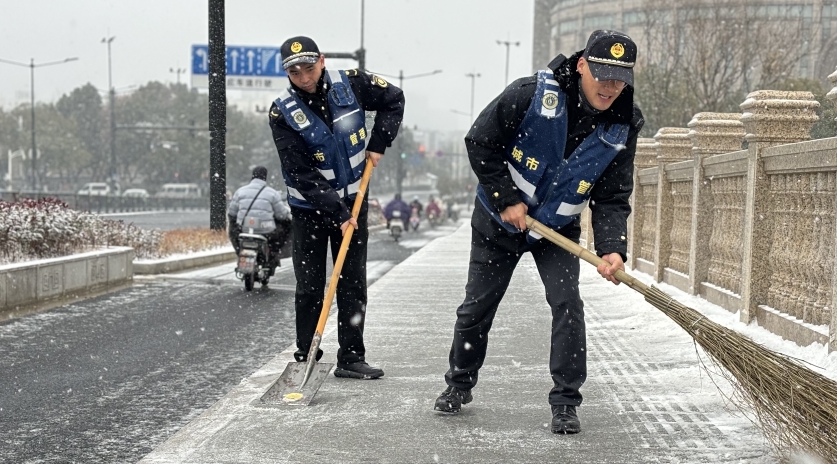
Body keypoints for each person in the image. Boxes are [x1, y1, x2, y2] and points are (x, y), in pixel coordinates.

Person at [435, 30, 644, 434]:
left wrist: (613, 247)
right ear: (581, 65)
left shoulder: (624, 124)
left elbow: (613, 194)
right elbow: (480, 141)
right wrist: (505, 198)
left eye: (620, 79)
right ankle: (458, 384)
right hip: (498, 223)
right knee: (477, 307)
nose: (610, 87)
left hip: (556, 228)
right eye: (602, 75)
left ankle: (566, 401)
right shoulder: (531, 93)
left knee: (568, 305)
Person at [269, 35, 405, 379]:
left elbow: (394, 99)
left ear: (323, 61)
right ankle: (307, 355)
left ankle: (351, 357)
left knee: (352, 283)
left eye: (309, 68)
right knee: (311, 285)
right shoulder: (282, 112)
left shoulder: (353, 84)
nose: (303, 76)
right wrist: (338, 213)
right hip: (309, 209)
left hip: (354, 200)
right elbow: (299, 171)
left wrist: (379, 142)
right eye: (295, 71)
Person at [227, 165, 291, 264]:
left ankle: (240, 252)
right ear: (265, 177)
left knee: (233, 231)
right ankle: (272, 256)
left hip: (244, 229)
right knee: (284, 229)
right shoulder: (272, 193)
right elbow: (281, 215)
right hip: (266, 231)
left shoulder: (240, 192)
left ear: (252, 176)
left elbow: (232, 213)